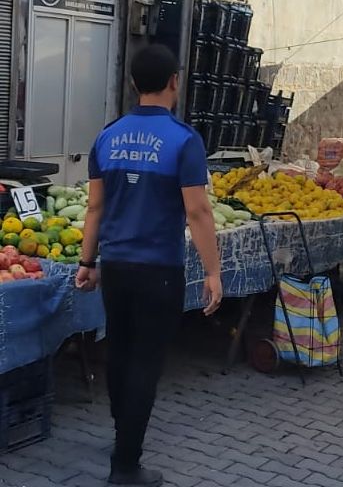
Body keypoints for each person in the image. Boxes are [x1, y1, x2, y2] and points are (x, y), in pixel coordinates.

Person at [75, 44, 222, 486]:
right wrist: (213, 272)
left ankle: (123, 439)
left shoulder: (108, 135)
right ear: (175, 81)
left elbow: (94, 208)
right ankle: (125, 466)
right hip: (158, 269)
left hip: (116, 266)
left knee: (119, 352)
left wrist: (87, 261)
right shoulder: (183, 140)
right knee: (144, 362)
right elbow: (198, 212)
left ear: (134, 84)